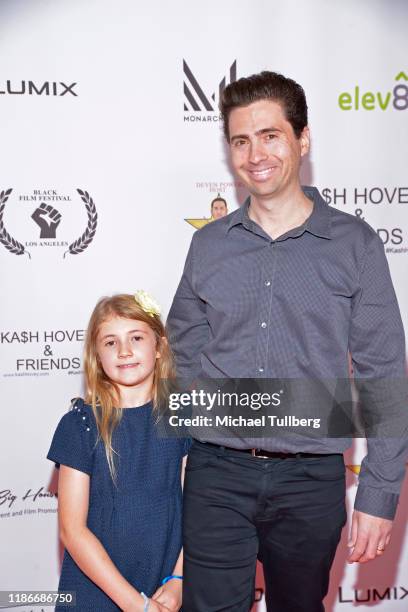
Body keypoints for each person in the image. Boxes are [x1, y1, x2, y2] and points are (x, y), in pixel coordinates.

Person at [167, 71, 408, 611]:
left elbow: (385, 374)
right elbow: (183, 348)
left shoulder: (354, 244)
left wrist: (379, 491)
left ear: (303, 139)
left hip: (311, 479)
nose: (256, 154)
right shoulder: (208, 246)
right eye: (240, 140)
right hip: (217, 474)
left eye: (271, 135)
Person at [47, 291, 188, 612]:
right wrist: (136, 604)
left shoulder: (183, 416)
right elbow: (72, 530)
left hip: (165, 589)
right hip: (94, 593)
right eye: (110, 342)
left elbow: (198, 511)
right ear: (97, 355)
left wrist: (179, 580)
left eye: (136, 337)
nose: (124, 351)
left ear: (159, 346)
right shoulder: (80, 425)